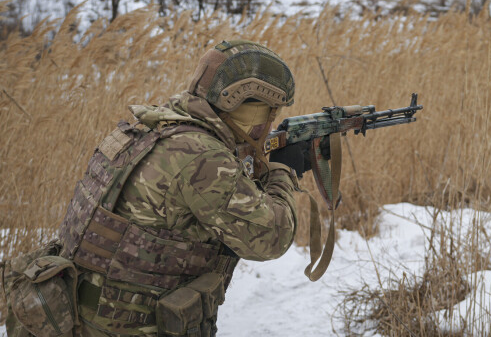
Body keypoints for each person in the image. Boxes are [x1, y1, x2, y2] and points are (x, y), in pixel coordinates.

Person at [6, 40, 309, 337]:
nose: (268, 127)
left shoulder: (150, 128)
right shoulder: (202, 156)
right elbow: (271, 239)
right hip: (124, 326)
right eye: (267, 114)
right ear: (239, 105)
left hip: (76, 312)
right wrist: (284, 172)